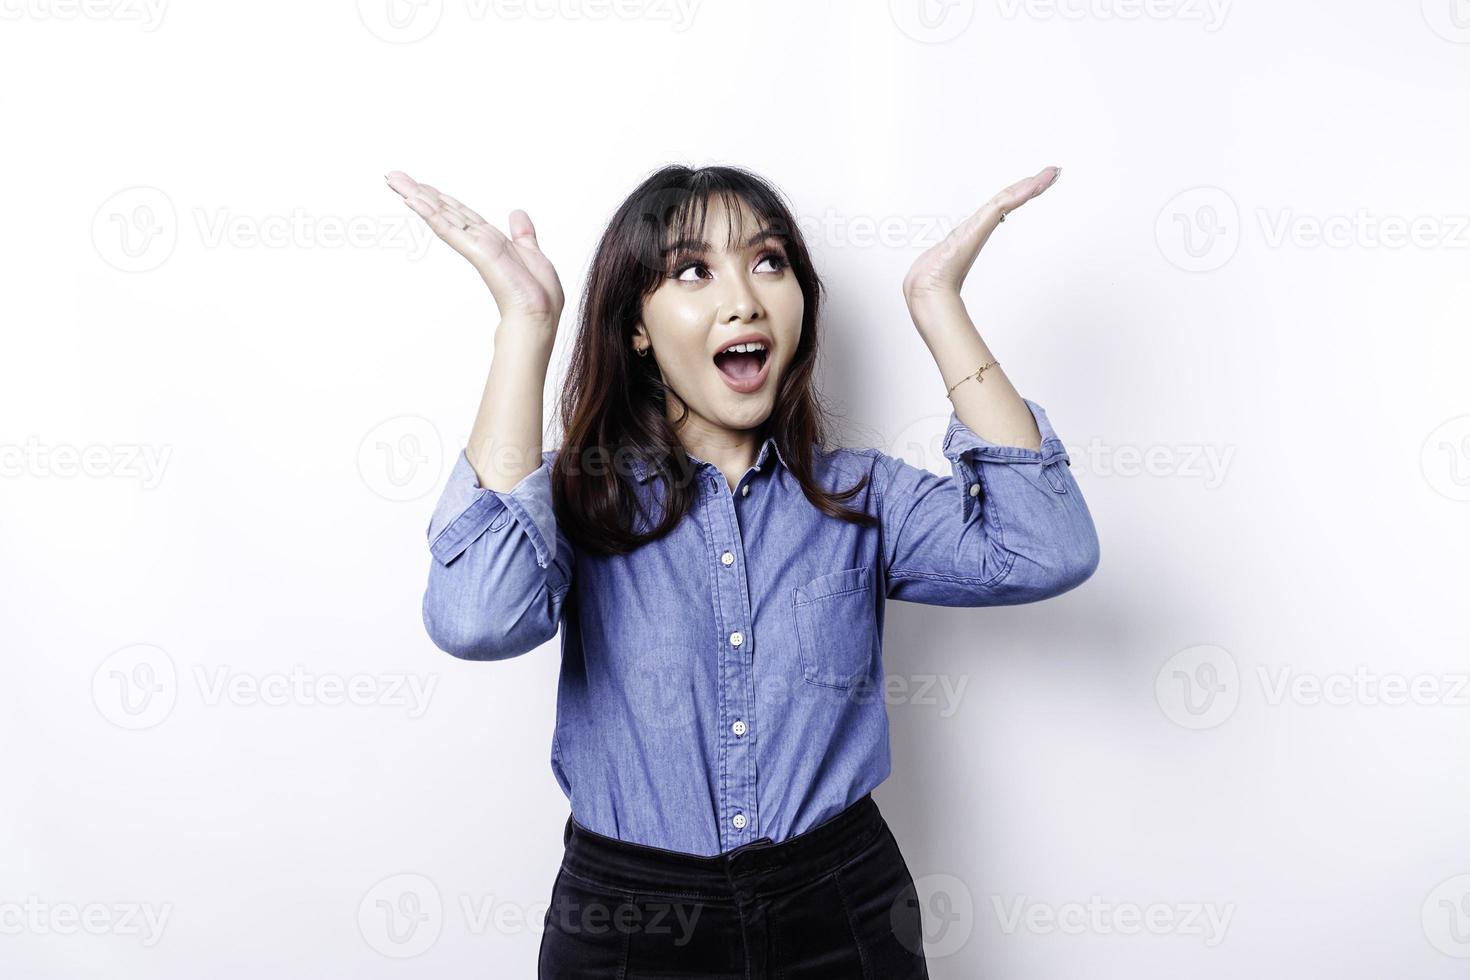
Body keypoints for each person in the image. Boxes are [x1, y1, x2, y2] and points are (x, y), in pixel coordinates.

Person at [386, 162, 1099, 979]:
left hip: (843, 906)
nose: (745, 298)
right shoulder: (576, 495)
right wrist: (526, 326)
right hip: (627, 922)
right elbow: (476, 618)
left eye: (768, 262)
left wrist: (937, 306)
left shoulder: (861, 496)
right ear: (637, 328)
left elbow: (1050, 546)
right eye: (693, 271)